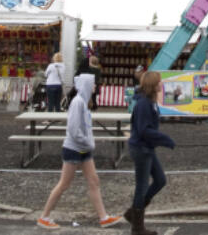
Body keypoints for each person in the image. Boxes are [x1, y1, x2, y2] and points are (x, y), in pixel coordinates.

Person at [36, 74, 123, 230]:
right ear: (87, 86)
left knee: (93, 181)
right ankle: (44, 217)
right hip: (75, 149)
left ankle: (104, 217)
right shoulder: (78, 103)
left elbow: (79, 130)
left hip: (82, 149)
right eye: (93, 83)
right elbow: (74, 130)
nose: (96, 86)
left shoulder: (81, 102)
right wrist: (89, 142)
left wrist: (88, 143)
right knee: (64, 184)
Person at [125, 70, 175, 235]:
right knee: (142, 186)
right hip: (141, 148)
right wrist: (165, 139)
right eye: (159, 82)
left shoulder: (150, 102)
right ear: (153, 86)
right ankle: (137, 228)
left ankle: (134, 212)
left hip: (147, 147)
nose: (161, 84)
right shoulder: (144, 104)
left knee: (160, 180)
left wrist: (161, 139)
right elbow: (144, 130)